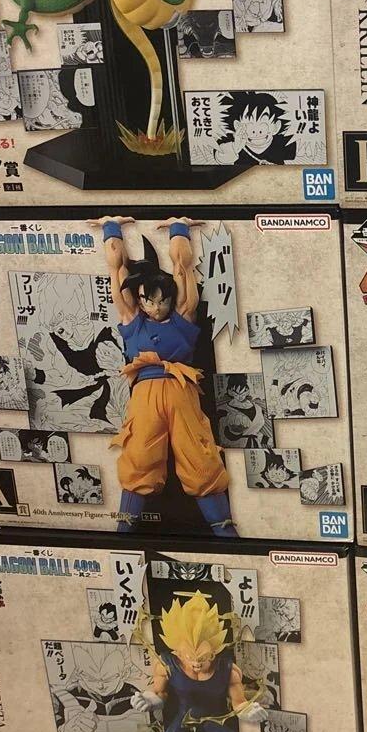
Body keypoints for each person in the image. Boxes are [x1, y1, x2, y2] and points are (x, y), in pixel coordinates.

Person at [91, 216, 234, 535]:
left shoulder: (183, 318)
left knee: (200, 458)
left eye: (162, 301)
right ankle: (124, 531)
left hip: (181, 390)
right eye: (148, 301)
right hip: (146, 395)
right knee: (139, 458)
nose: (156, 308)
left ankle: (225, 531)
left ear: (170, 298)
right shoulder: (133, 321)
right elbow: (117, 269)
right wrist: (111, 228)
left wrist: (179, 228)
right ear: (140, 300)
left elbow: (182, 269)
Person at [131, 593, 267, 732]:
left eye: (203, 658)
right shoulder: (166, 665)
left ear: (214, 651)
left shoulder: (228, 670)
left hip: (215, 715)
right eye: (189, 657)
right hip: (185, 714)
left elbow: (239, 702)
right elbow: (160, 693)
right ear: (177, 651)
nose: (196, 663)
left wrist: (249, 710)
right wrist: (149, 700)